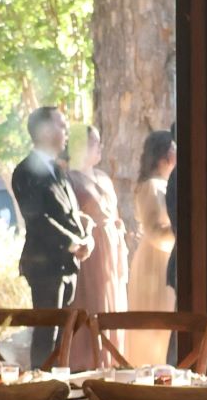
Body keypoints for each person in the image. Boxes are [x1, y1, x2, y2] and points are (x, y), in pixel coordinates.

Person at [12, 107, 91, 368]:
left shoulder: (58, 170)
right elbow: (38, 219)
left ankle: (58, 387)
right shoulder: (26, 170)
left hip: (67, 263)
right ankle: (40, 390)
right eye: (61, 125)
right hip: (45, 263)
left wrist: (84, 236)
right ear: (44, 131)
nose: (66, 131)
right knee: (47, 333)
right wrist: (71, 241)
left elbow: (69, 213)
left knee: (63, 335)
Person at [67, 125, 129, 370]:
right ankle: (88, 363)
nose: (99, 148)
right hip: (92, 251)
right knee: (93, 301)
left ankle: (113, 361)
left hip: (112, 247)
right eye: (94, 143)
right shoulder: (70, 178)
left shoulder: (102, 176)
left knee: (113, 301)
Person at [126, 130, 177, 366]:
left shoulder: (161, 185)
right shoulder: (152, 187)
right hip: (154, 264)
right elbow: (156, 231)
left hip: (161, 259)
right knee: (154, 328)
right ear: (165, 154)